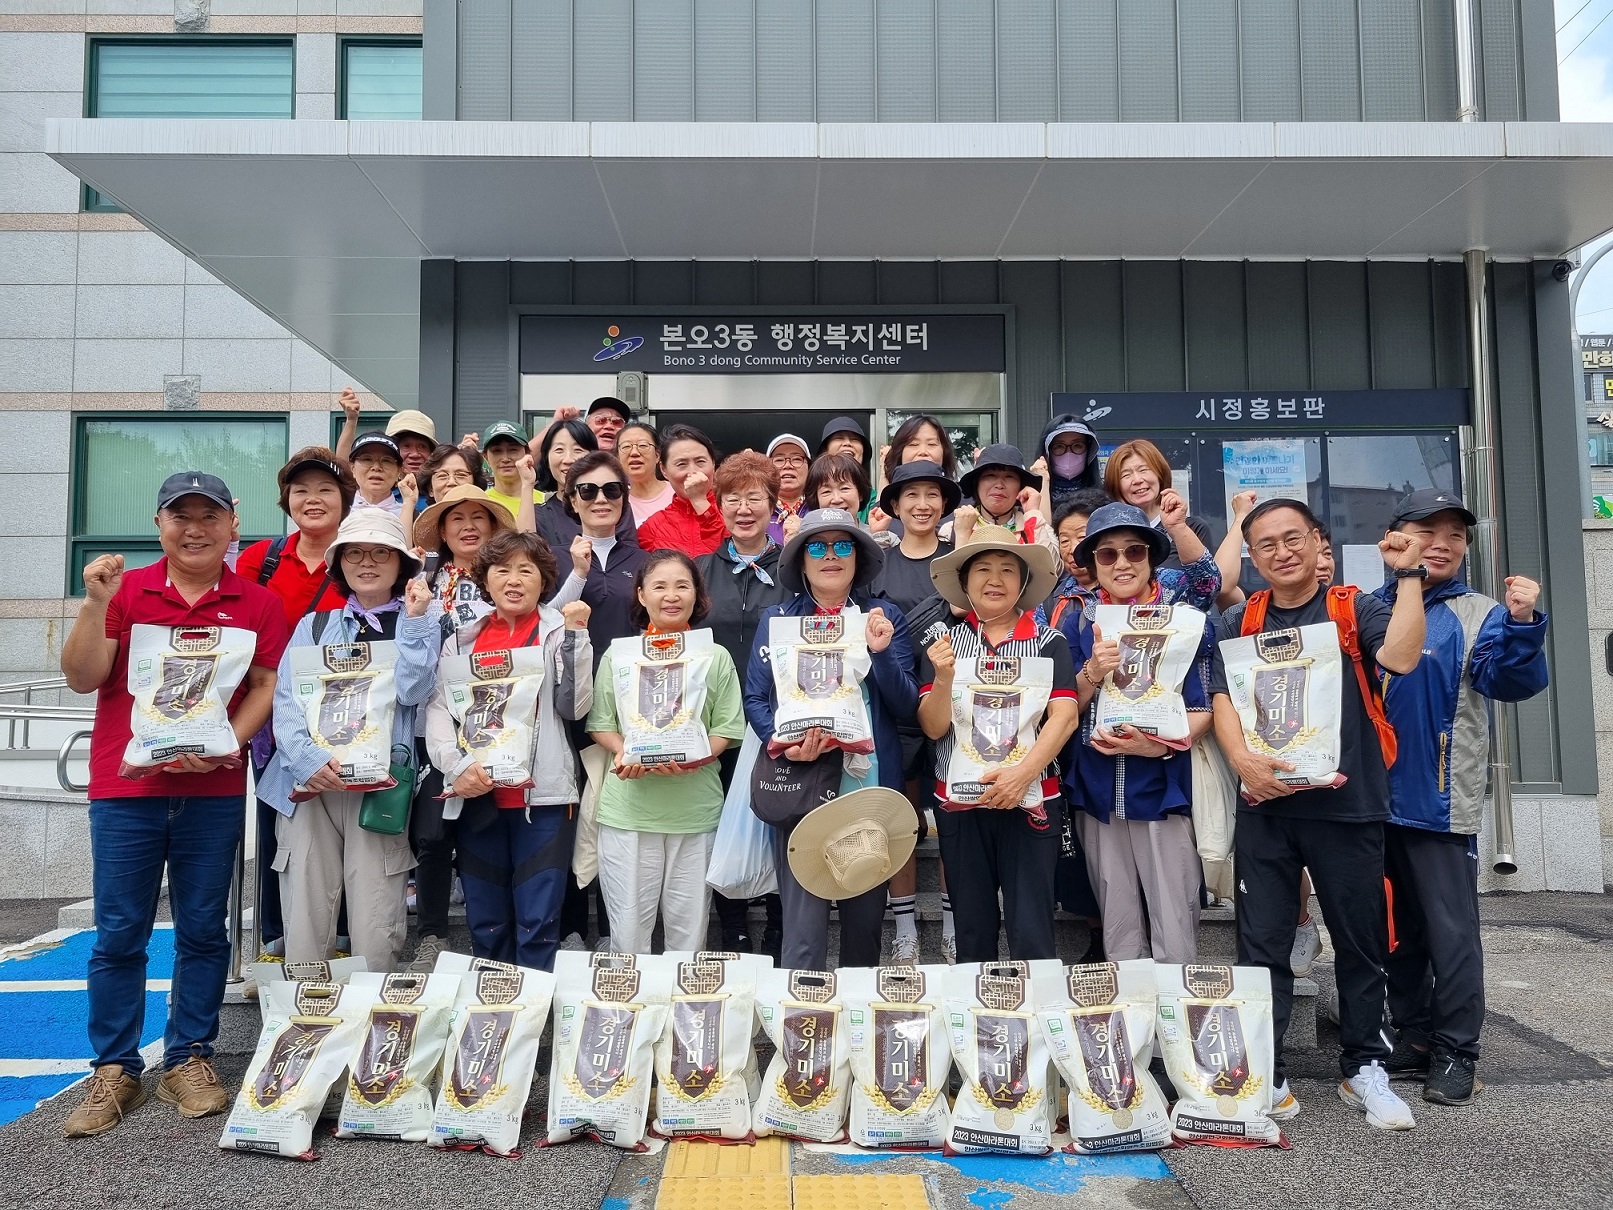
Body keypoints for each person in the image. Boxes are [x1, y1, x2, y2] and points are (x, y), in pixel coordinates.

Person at [60, 472, 287, 1137]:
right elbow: (82, 677)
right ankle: (115, 1068)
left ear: (232, 523)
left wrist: (227, 745)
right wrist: (92, 604)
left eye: (208, 515)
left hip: (211, 791)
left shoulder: (258, 601)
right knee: (119, 931)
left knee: (203, 929)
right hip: (125, 789)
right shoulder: (126, 590)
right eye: (180, 515)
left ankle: (189, 1056)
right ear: (159, 524)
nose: (195, 529)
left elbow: (265, 683)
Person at [1209, 498, 1427, 1131]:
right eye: (1266, 543)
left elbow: (1401, 658)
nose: (1281, 552)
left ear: (1315, 542)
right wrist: (1242, 762)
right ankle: (1267, 1072)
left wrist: (1409, 576)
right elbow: (1222, 697)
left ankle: (1364, 1066)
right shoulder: (1241, 618)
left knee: (1359, 940)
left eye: (1292, 538)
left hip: (1347, 805)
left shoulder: (1353, 607)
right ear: (1252, 555)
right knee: (1262, 943)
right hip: (1267, 806)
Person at [1373, 489, 1548, 1106]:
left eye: (1455, 535)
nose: (1442, 544)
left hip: (1441, 801)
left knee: (1451, 935)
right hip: (1371, 803)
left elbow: (1510, 681)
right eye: (1428, 531)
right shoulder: (1368, 607)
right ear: (1397, 539)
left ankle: (1456, 1051)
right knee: (1393, 931)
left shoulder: (1480, 612)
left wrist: (1522, 623)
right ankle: (1413, 1035)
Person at [258, 511, 439, 973]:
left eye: (381, 553)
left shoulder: (418, 622)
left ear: (402, 564)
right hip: (309, 786)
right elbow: (286, 700)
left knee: (376, 911)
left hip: (382, 785)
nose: (367, 562)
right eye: (354, 553)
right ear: (339, 563)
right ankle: (305, 1008)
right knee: (305, 907)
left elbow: (414, 693)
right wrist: (308, 761)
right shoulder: (314, 627)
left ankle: (370, 1009)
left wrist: (418, 621)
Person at [743, 508, 917, 970]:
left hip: (867, 787)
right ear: (801, 560)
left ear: (858, 557)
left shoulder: (883, 616)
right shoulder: (778, 619)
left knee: (864, 926)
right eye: (817, 547)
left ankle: (858, 1015)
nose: (830, 556)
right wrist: (782, 744)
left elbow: (906, 705)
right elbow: (755, 698)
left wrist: (881, 653)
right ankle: (802, 1014)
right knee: (802, 931)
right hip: (801, 783)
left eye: (843, 545)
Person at [424, 529, 593, 970]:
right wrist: (456, 766)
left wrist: (577, 637)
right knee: (487, 921)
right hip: (478, 795)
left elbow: (575, 707)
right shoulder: (461, 640)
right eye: (502, 570)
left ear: (544, 580)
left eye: (526, 570)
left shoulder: (556, 631)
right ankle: (494, 1006)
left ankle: (534, 1009)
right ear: (485, 579)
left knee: (539, 920)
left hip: (545, 798)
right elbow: (439, 710)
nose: (513, 580)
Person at [917, 527, 1078, 963]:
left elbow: (1065, 717)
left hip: (1032, 798)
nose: (995, 579)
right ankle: (978, 1009)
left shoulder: (1049, 642)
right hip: (959, 801)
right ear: (965, 582)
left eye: (1008, 570)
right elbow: (932, 727)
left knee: (1032, 928)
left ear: (1023, 583)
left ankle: (1036, 1009)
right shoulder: (943, 643)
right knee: (972, 928)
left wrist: (1021, 775)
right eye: (983, 569)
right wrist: (944, 677)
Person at [1062, 502, 1214, 964]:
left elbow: (1203, 706)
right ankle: (1129, 1006)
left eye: (1134, 551)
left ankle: (1177, 1006)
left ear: (1150, 558)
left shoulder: (1181, 620)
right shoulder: (1077, 620)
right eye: (1107, 554)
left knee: (1175, 915)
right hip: (1096, 786)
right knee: (1117, 918)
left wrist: (1159, 746)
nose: (1122, 563)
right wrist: (1091, 671)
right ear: (1093, 564)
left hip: (1163, 786)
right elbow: (1063, 707)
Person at [587, 552, 746, 952]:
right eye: (659, 586)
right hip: (628, 813)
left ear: (697, 595)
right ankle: (629, 997)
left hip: (695, 812)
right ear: (641, 595)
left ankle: (681, 998)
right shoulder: (619, 655)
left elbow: (727, 728)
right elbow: (601, 723)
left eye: (682, 586)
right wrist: (624, 751)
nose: (671, 596)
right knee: (627, 937)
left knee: (689, 937)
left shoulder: (715, 656)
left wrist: (694, 757)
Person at [236, 447, 356, 962]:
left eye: (326, 489)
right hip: (271, 717)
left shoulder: (357, 560)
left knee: (345, 820)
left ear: (345, 500)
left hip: (344, 717)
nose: (313, 499)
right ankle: (277, 935)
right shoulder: (261, 560)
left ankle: (343, 935)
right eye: (301, 490)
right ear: (286, 500)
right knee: (278, 822)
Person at [408, 484, 518, 970]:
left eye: (479, 517)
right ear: (443, 530)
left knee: (486, 830)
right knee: (433, 835)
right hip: (434, 719)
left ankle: (489, 936)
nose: (468, 526)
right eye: (457, 518)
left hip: (498, 718)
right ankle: (431, 933)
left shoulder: (507, 580)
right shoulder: (423, 581)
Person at [697, 451, 792, 956]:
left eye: (755, 498)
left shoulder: (794, 569)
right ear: (719, 505)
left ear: (772, 504)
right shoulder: (699, 570)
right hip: (715, 723)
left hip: (778, 718)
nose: (744, 508)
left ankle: (779, 924)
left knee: (778, 812)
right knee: (722, 822)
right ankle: (732, 925)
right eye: (732, 498)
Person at [870, 460, 962, 963]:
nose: (922, 504)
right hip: (896, 709)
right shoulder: (879, 563)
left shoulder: (959, 561)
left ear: (944, 503)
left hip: (955, 706)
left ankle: (951, 924)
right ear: (895, 504)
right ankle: (904, 929)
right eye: (911, 495)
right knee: (900, 822)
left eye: (932, 494)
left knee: (951, 819)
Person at [546, 451, 650, 657]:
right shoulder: (550, 559)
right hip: (569, 671)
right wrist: (578, 575)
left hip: (628, 669)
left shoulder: (645, 562)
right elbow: (545, 622)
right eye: (588, 491)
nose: (601, 499)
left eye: (612, 490)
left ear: (623, 499)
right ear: (573, 501)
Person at [1104, 438, 1237, 592]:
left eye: (1143, 470)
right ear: (1115, 485)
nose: (1137, 480)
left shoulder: (1191, 528)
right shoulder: (1107, 532)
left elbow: (1207, 586)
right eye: (1126, 475)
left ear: (1160, 474)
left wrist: (1178, 528)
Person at [535, 419, 636, 551]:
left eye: (577, 450)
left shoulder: (614, 503)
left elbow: (629, 555)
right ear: (546, 458)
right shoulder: (540, 514)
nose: (568, 459)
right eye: (559, 450)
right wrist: (526, 484)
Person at [952, 443, 1060, 559]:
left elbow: (1051, 567)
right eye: (990, 475)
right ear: (976, 484)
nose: (999, 485)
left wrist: (1032, 513)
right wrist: (963, 533)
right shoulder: (953, 529)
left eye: (1009, 477)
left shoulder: (1041, 527)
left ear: (1021, 486)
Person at [637, 423, 726, 556]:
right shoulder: (652, 528)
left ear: (713, 464)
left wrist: (700, 502)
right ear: (663, 469)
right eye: (681, 464)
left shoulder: (735, 509)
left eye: (700, 461)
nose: (693, 472)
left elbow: (735, 554)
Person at [1032, 415, 1101, 511]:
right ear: (1047, 452)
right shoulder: (1028, 496)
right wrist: (1042, 483)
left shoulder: (1105, 498)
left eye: (1077, 445)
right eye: (1059, 446)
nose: (1068, 453)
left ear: (1089, 451)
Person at [481, 420, 542, 529]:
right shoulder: (481, 503)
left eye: (513, 450)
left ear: (527, 453)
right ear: (486, 457)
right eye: (497, 451)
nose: (505, 458)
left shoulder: (546, 502)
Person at [348, 432, 416, 517]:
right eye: (367, 459)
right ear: (352, 468)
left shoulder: (413, 516)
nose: (376, 467)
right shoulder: (339, 513)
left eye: (386, 460)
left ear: (399, 471)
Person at [619, 421, 673, 525]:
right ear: (618, 458)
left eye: (643, 445)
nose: (634, 453)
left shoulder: (678, 493)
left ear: (657, 455)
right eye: (626, 447)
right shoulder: (617, 503)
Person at [766, 433, 811, 543]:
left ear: (809, 467)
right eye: (779, 460)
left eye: (796, 459)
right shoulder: (758, 509)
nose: (788, 465)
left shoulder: (821, 506)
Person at [804, 452, 872, 519]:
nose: (836, 500)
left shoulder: (873, 526)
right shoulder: (804, 526)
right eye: (826, 491)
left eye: (844, 488)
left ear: (860, 494)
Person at [385, 409, 439, 480]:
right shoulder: (375, 485)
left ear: (431, 453)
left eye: (422, 446)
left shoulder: (445, 486)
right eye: (406, 446)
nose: (414, 455)